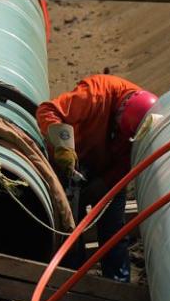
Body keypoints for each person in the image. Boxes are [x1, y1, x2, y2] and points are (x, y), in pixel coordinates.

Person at [36, 75, 157, 282]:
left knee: (113, 232)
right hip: (70, 163)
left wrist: (101, 187)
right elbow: (47, 111)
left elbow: (125, 165)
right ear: (120, 110)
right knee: (69, 228)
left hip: (107, 170)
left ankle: (117, 287)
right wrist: (63, 146)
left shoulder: (147, 122)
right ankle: (71, 282)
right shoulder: (95, 93)